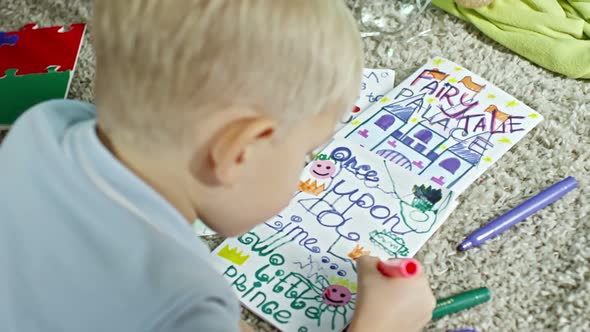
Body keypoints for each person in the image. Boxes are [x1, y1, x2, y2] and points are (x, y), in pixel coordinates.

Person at [0, 1, 435, 331]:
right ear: (238, 151)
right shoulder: (186, 300)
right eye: (307, 151)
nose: (306, 169)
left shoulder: (46, 123)